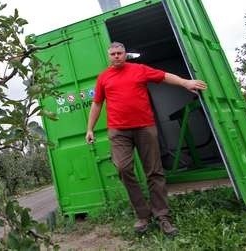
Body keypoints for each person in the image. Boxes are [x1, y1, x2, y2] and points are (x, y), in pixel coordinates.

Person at [85, 42, 207, 236]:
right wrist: (89, 128)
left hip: (144, 128)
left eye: (120, 53)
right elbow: (97, 104)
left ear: (125, 54)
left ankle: (163, 216)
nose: (116, 56)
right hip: (118, 131)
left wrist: (185, 82)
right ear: (109, 56)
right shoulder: (104, 77)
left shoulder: (139, 70)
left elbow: (164, 76)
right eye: (113, 54)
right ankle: (143, 214)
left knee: (154, 171)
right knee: (124, 169)